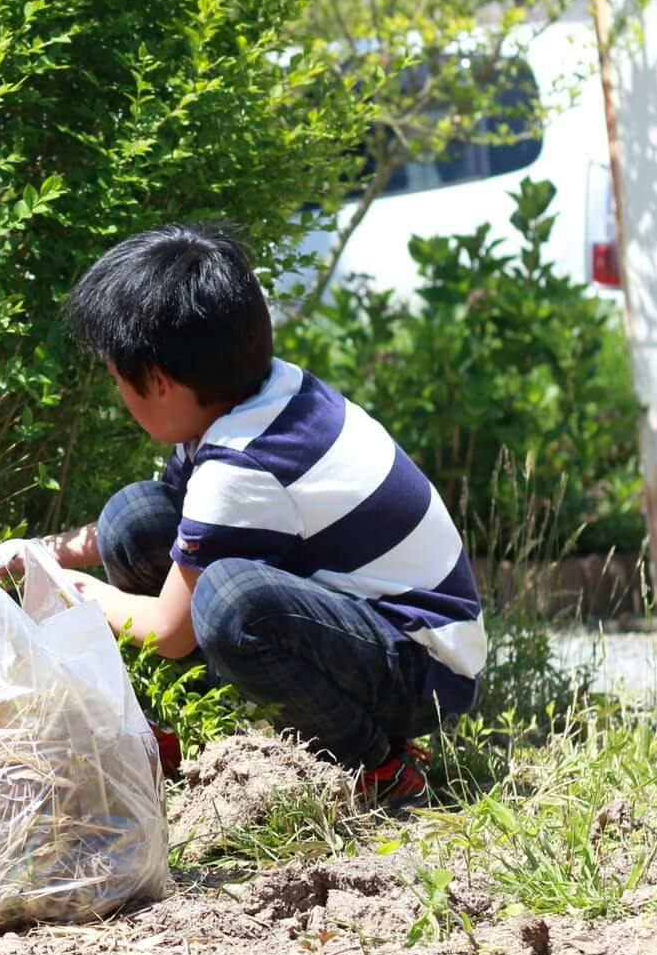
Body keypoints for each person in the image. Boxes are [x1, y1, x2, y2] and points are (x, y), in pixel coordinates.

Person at [47, 223, 487, 811]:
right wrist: (47, 549)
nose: (118, 395)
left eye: (118, 380)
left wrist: (70, 590)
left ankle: (378, 764)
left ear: (157, 380)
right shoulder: (249, 397)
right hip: (366, 625)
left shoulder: (243, 459)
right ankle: (203, 732)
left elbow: (171, 633)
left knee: (230, 601)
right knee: (136, 517)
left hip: (423, 668)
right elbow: (181, 530)